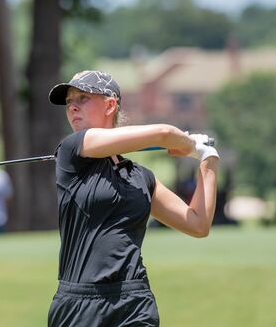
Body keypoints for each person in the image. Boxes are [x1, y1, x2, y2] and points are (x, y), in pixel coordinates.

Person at [46, 70, 219, 327]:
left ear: (110, 104)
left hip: (134, 302)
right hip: (78, 304)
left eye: (82, 98)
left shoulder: (141, 179)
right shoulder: (72, 150)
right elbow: (163, 133)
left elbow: (197, 224)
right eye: (69, 102)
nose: (72, 107)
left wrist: (207, 158)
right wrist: (188, 143)